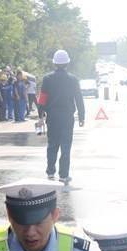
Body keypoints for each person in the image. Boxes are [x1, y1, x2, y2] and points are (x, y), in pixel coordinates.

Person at [38, 49, 85, 185]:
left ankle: (50, 173)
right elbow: (78, 99)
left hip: (52, 117)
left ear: (54, 63)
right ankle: (64, 175)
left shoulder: (47, 79)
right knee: (65, 146)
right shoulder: (73, 79)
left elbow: (42, 99)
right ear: (67, 63)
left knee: (52, 145)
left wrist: (40, 115)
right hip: (67, 117)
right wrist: (82, 116)